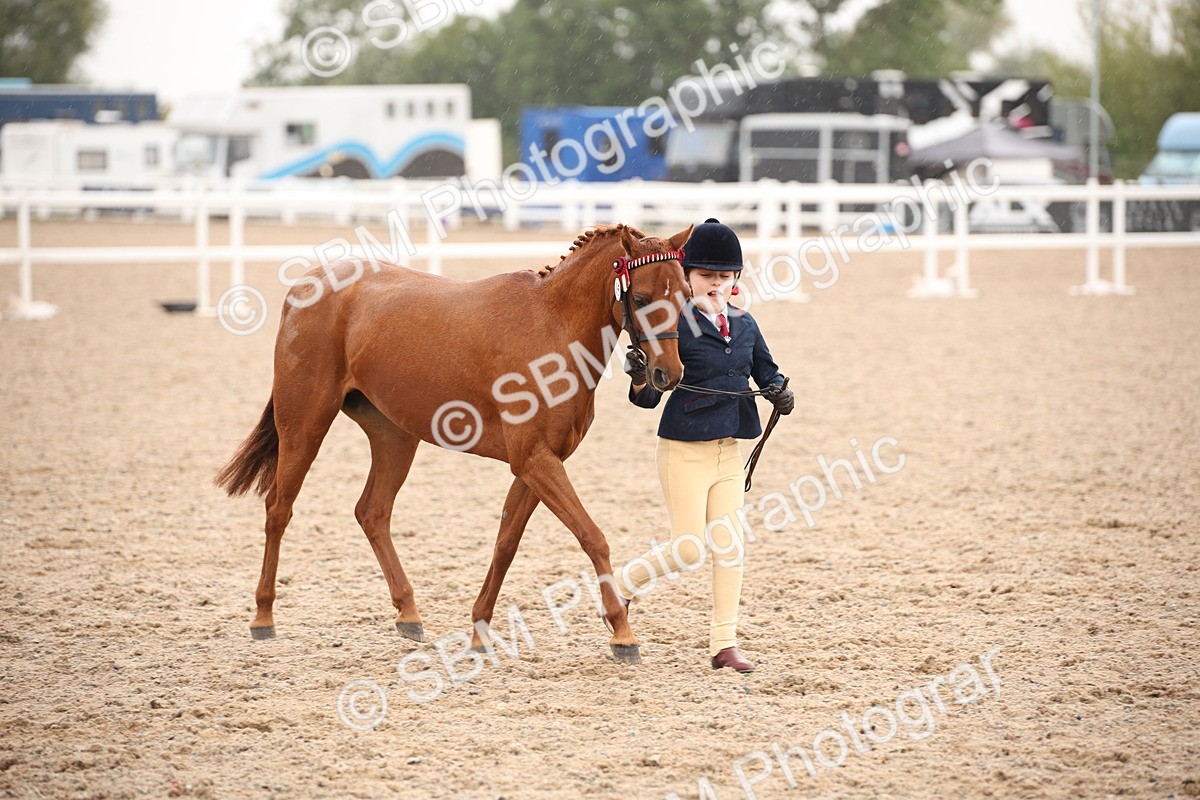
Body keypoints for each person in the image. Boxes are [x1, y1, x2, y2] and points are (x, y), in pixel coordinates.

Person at [616, 218, 794, 673]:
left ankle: (724, 645)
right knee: (688, 549)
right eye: (706, 276)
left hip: (728, 450)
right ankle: (621, 585)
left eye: (724, 276)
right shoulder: (673, 326)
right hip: (683, 450)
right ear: (687, 278)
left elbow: (765, 370)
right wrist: (639, 377)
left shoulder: (746, 324)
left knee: (731, 547)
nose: (716, 284)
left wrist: (780, 390)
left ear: (735, 279)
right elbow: (648, 398)